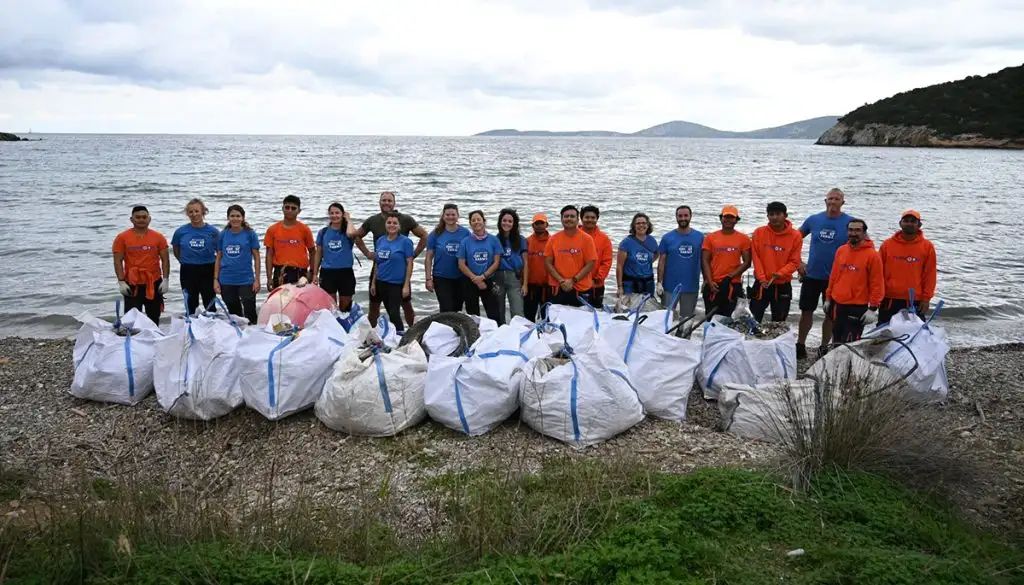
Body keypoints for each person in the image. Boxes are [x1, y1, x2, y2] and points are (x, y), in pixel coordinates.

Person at [354, 191, 428, 328]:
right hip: (379, 270)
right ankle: (373, 334)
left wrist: (413, 255)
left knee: (406, 305)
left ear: (394, 203)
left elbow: (424, 235)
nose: (386, 203)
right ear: (379, 202)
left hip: (399, 274)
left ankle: (414, 332)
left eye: (389, 200)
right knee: (374, 306)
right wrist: (368, 253)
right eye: (384, 200)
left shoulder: (406, 220)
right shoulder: (373, 221)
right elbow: (356, 236)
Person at [797, 188, 854, 359]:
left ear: (842, 202)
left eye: (837, 199)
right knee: (806, 311)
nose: (833, 202)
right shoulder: (814, 220)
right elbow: (793, 240)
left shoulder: (850, 222)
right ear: (825, 201)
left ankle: (824, 346)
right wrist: (798, 263)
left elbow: (863, 247)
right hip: (812, 275)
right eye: (830, 198)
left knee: (831, 315)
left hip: (836, 279)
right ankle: (800, 344)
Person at [825, 218, 884, 344]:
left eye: (858, 230)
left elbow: (877, 283)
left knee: (850, 343)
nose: (853, 233)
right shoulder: (841, 250)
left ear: (864, 233)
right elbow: (834, 276)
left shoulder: (872, 255)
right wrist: (828, 298)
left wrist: (873, 308)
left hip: (857, 306)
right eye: (851, 230)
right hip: (838, 304)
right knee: (836, 339)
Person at [113, 205, 170, 324]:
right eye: (138, 217)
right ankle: (134, 336)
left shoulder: (158, 237)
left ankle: (154, 335)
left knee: (154, 317)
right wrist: (121, 282)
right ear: (131, 219)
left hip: (154, 282)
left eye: (144, 217)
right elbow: (118, 260)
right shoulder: (122, 238)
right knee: (132, 320)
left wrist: (165, 279)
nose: (141, 220)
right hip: (132, 284)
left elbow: (165, 259)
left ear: (149, 219)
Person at [878, 210, 937, 323]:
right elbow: (878, 273)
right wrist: (877, 296)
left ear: (919, 225)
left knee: (915, 331)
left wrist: (926, 299)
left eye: (913, 221)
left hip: (915, 300)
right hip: (889, 298)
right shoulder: (887, 245)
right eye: (906, 221)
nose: (909, 224)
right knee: (885, 330)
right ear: (900, 223)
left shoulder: (927, 246)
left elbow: (930, 275)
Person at [749, 201, 802, 323]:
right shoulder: (759, 232)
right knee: (753, 318)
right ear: (767, 216)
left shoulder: (795, 236)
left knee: (779, 321)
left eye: (778, 214)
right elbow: (756, 258)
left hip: (782, 284)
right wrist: (762, 278)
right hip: (762, 283)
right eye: (771, 214)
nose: (774, 217)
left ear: (785, 215)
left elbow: (794, 261)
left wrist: (780, 273)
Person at [171, 198, 220, 316]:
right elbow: (176, 250)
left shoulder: (213, 232)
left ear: (203, 211)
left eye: (197, 211)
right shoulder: (180, 232)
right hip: (188, 269)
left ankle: (211, 323)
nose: (194, 214)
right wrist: (184, 261)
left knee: (210, 302)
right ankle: (192, 323)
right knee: (190, 303)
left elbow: (219, 253)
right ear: (187, 214)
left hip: (208, 268)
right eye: (191, 212)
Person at [701, 206, 752, 317]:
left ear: (736, 220)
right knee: (711, 318)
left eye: (731, 217)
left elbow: (747, 262)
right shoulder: (710, 237)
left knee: (731, 319)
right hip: (714, 285)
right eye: (725, 217)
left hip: (733, 284)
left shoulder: (743, 238)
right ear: (721, 218)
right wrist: (710, 281)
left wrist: (730, 276)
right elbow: (705, 260)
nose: (728, 220)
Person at [213, 204, 261, 324]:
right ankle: (239, 333)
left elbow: (257, 257)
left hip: (246, 279)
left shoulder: (250, 234)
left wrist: (257, 280)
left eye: (238, 216)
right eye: (232, 216)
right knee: (234, 313)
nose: (235, 219)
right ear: (228, 218)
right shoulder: (223, 234)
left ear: (243, 218)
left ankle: (253, 332)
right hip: (226, 279)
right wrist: (215, 279)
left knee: (250, 311)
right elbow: (218, 257)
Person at [544, 205, 598, 309]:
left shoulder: (587, 239)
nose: (569, 218)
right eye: (566, 216)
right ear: (561, 219)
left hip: (581, 288)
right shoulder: (553, 239)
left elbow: (590, 263)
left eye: (572, 216)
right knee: (557, 318)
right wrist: (561, 280)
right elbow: (548, 263)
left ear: (578, 220)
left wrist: (573, 281)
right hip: (558, 287)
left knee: (582, 318)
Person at [370, 212, 415, 332]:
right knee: (390, 312)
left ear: (399, 226)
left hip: (396, 284)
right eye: (389, 222)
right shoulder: (381, 240)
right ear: (385, 224)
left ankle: (401, 335)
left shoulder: (405, 242)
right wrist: (373, 283)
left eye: (395, 223)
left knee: (395, 314)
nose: (391, 225)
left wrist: (406, 285)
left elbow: (410, 263)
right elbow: (377, 263)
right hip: (381, 282)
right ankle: (395, 336)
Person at [657, 205, 704, 318]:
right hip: (669, 287)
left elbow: (704, 261)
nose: (683, 218)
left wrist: (706, 281)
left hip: (691, 286)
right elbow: (661, 262)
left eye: (686, 215)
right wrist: (659, 282)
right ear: (676, 217)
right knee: (666, 318)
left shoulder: (700, 237)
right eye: (680, 216)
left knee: (686, 320)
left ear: (690, 216)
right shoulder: (667, 238)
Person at [457, 210, 504, 323]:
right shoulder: (465, 242)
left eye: (478, 219)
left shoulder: (493, 240)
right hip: (470, 280)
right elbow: (461, 264)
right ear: (470, 223)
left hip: (488, 280)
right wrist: (476, 279)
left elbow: (496, 262)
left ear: (484, 221)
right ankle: (475, 333)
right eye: (473, 220)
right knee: (473, 316)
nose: (476, 222)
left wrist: (483, 277)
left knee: (494, 315)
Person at [312, 202, 359, 312]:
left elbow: (353, 234)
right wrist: (315, 274)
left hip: (346, 272)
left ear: (343, 214)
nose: (334, 215)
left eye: (337, 213)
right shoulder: (323, 232)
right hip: (327, 273)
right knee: (331, 308)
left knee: (345, 308)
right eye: (331, 213)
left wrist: (349, 220)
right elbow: (318, 254)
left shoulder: (348, 231)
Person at [424, 203, 471, 313]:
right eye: (447, 215)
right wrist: (428, 279)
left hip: (460, 277)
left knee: (457, 309)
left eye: (453, 214)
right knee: (446, 308)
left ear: (458, 216)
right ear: (443, 216)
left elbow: (470, 254)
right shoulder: (435, 234)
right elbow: (428, 257)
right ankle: (444, 324)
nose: (450, 217)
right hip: (441, 277)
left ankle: (455, 325)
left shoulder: (465, 233)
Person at [264, 195, 315, 290]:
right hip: (280, 272)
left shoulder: (305, 229)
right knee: (281, 299)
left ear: (299, 211)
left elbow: (312, 252)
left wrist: (312, 272)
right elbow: (269, 255)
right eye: (287, 207)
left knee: (300, 299)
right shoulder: (272, 229)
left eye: (293, 208)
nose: (290, 210)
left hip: (300, 273)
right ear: (282, 208)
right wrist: (269, 277)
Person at [495, 208, 528, 323]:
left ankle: (518, 332)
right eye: (504, 220)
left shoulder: (521, 240)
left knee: (517, 312)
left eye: (510, 221)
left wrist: (525, 284)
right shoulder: (495, 239)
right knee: (498, 312)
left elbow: (525, 263)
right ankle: (500, 332)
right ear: (500, 222)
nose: (507, 223)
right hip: (498, 277)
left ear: (514, 224)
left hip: (514, 277)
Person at [616, 213, 659, 296]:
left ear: (648, 225)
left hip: (648, 282)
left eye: (644, 223)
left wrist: (646, 263)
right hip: (630, 283)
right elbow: (619, 266)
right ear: (634, 226)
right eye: (638, 223)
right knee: (629, 304)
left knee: (648, 304)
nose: (641, 225)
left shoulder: (652, 240)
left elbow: (657, 253)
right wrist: (620, 287)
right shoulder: (626, 243)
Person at [580, 205, 613, 306]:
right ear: (581, 218)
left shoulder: (604, 239)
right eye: (587, 217)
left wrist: (597, 279)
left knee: (597, 311)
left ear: (597, 219)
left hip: (596, 285)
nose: (590, 220)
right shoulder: (574, 236)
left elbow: (607, 261)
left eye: (593, 217)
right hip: (577, 284)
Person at [523, 213, 552, 321]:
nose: (539, 226)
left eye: (541, 223)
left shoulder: (553, 241)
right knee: (528, 318)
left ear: (546, 224)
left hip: (548, 287)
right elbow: (523, 263)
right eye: (537, 223)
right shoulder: (527, 241)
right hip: (531, 287)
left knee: (548, 319)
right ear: (533, 225)